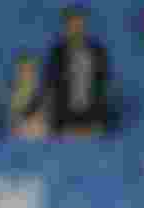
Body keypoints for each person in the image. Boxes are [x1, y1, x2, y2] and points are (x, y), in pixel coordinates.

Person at [45, 5, 110, 137]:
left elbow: (103, 83)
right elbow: (50, 84)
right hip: (64, 120)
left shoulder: (98, 51)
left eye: (80, 24)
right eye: (72, 24)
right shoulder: (56, 53)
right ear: (66, 27)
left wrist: (99, 119)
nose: (76, 29)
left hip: (93, 118)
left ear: (85, 25)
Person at [6, 53, 49, 140]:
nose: (25, 74)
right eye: (22, 70)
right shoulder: (15, 93)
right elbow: (15, 118)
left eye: (29, 70)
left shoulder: (40, 92)